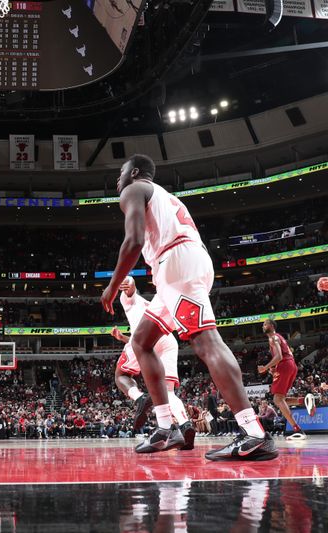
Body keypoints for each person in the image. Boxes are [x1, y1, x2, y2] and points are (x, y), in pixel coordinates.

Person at [100, 154, 277, 461]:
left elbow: (133, 241)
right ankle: (167, 426)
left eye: (121, 172)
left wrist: (112, 286)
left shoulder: (134, 189)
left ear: (136, 172)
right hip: (183, 262)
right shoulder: (167, 198)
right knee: (141, 342)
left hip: (176, 264)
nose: (118, 179)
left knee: (207, 343)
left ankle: (254, 433)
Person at [110, 276, 195, 450]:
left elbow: (130, 285)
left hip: (143, 339)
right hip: (168, 340)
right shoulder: (153, 304)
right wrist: (122, 338)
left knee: (121, 374)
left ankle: (140, 397)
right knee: (168, 391)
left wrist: (127, 280)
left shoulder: (131, 301)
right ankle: (185, 425)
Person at [258, 319, 305, 440]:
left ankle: (297, 429)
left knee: (277, 399)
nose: (263, 326)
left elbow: (279, 356)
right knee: (280, 399)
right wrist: (275, 369)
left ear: (272, 326)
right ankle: (304, 401)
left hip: (285, 365)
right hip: (291, 365)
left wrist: (265, 368)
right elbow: (286, 355)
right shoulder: (279, 337)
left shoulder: (273, 337)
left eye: (265, 324)